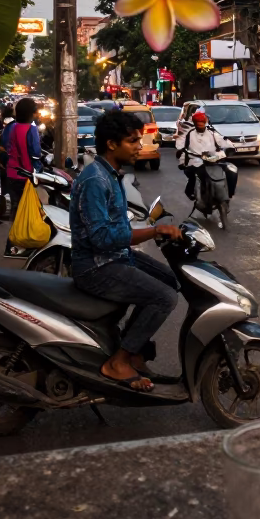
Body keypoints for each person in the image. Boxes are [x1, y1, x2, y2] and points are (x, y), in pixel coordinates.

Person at [70, 110, 182, 391]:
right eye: (133, 141)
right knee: (164, 298)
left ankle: (135, 350)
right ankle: (118, 361)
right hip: (97, 266)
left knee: (171, 279)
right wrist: (153, 231)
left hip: (117, 257)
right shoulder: (96, 180)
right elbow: (102, 237)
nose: (139, 147)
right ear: (111, 144)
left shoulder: (112, 174)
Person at [175, 111, 233, 201]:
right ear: (195, 124)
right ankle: (191, 191)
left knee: (232, 171)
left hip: (214, 160)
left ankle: (229, 193)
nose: (201, 126)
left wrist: (230, 148)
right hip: (195, 161)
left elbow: (224, 141)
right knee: (194, 174)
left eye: (202, 124)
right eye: (198, 125)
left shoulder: (212, 133)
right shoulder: (189, 134)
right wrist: (181, 153)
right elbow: (180, 146)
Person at [3, 97, 42, 214]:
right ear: (31, 113)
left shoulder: (11, 127)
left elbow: (6, 144)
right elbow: (35, 152)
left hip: (11, 172)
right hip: (26, 174)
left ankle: (15, 231)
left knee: (16, 208)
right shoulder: (31, 128)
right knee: (27, 210)